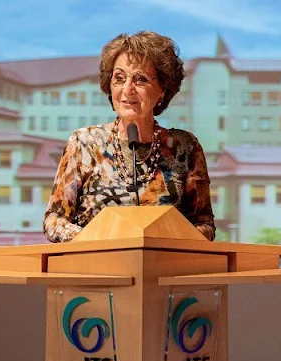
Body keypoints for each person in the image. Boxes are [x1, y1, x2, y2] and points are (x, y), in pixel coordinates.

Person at [43, 31, 215, 243]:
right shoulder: (85, 144)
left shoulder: (184, 148)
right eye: (119, 78)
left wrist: (173, 242)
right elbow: (54, 220)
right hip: (97, 267)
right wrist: (95, 241)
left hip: (163, 268)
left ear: (162, 89)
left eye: (140, 79)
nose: (127, 90)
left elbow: (204, 223)